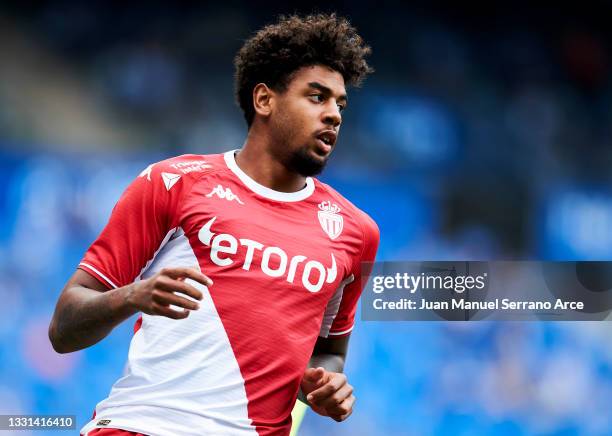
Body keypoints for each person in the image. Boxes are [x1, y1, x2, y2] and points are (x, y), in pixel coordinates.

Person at [49, 13, 379, 436]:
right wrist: (133, 295)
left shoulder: (357, 233)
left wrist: (325, 384)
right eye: (317, 97)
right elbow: (63, 330)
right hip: (142, 426)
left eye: (340, 104)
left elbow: (329, 353)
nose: (334, 114)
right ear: (264, 100)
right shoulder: (172, 183)